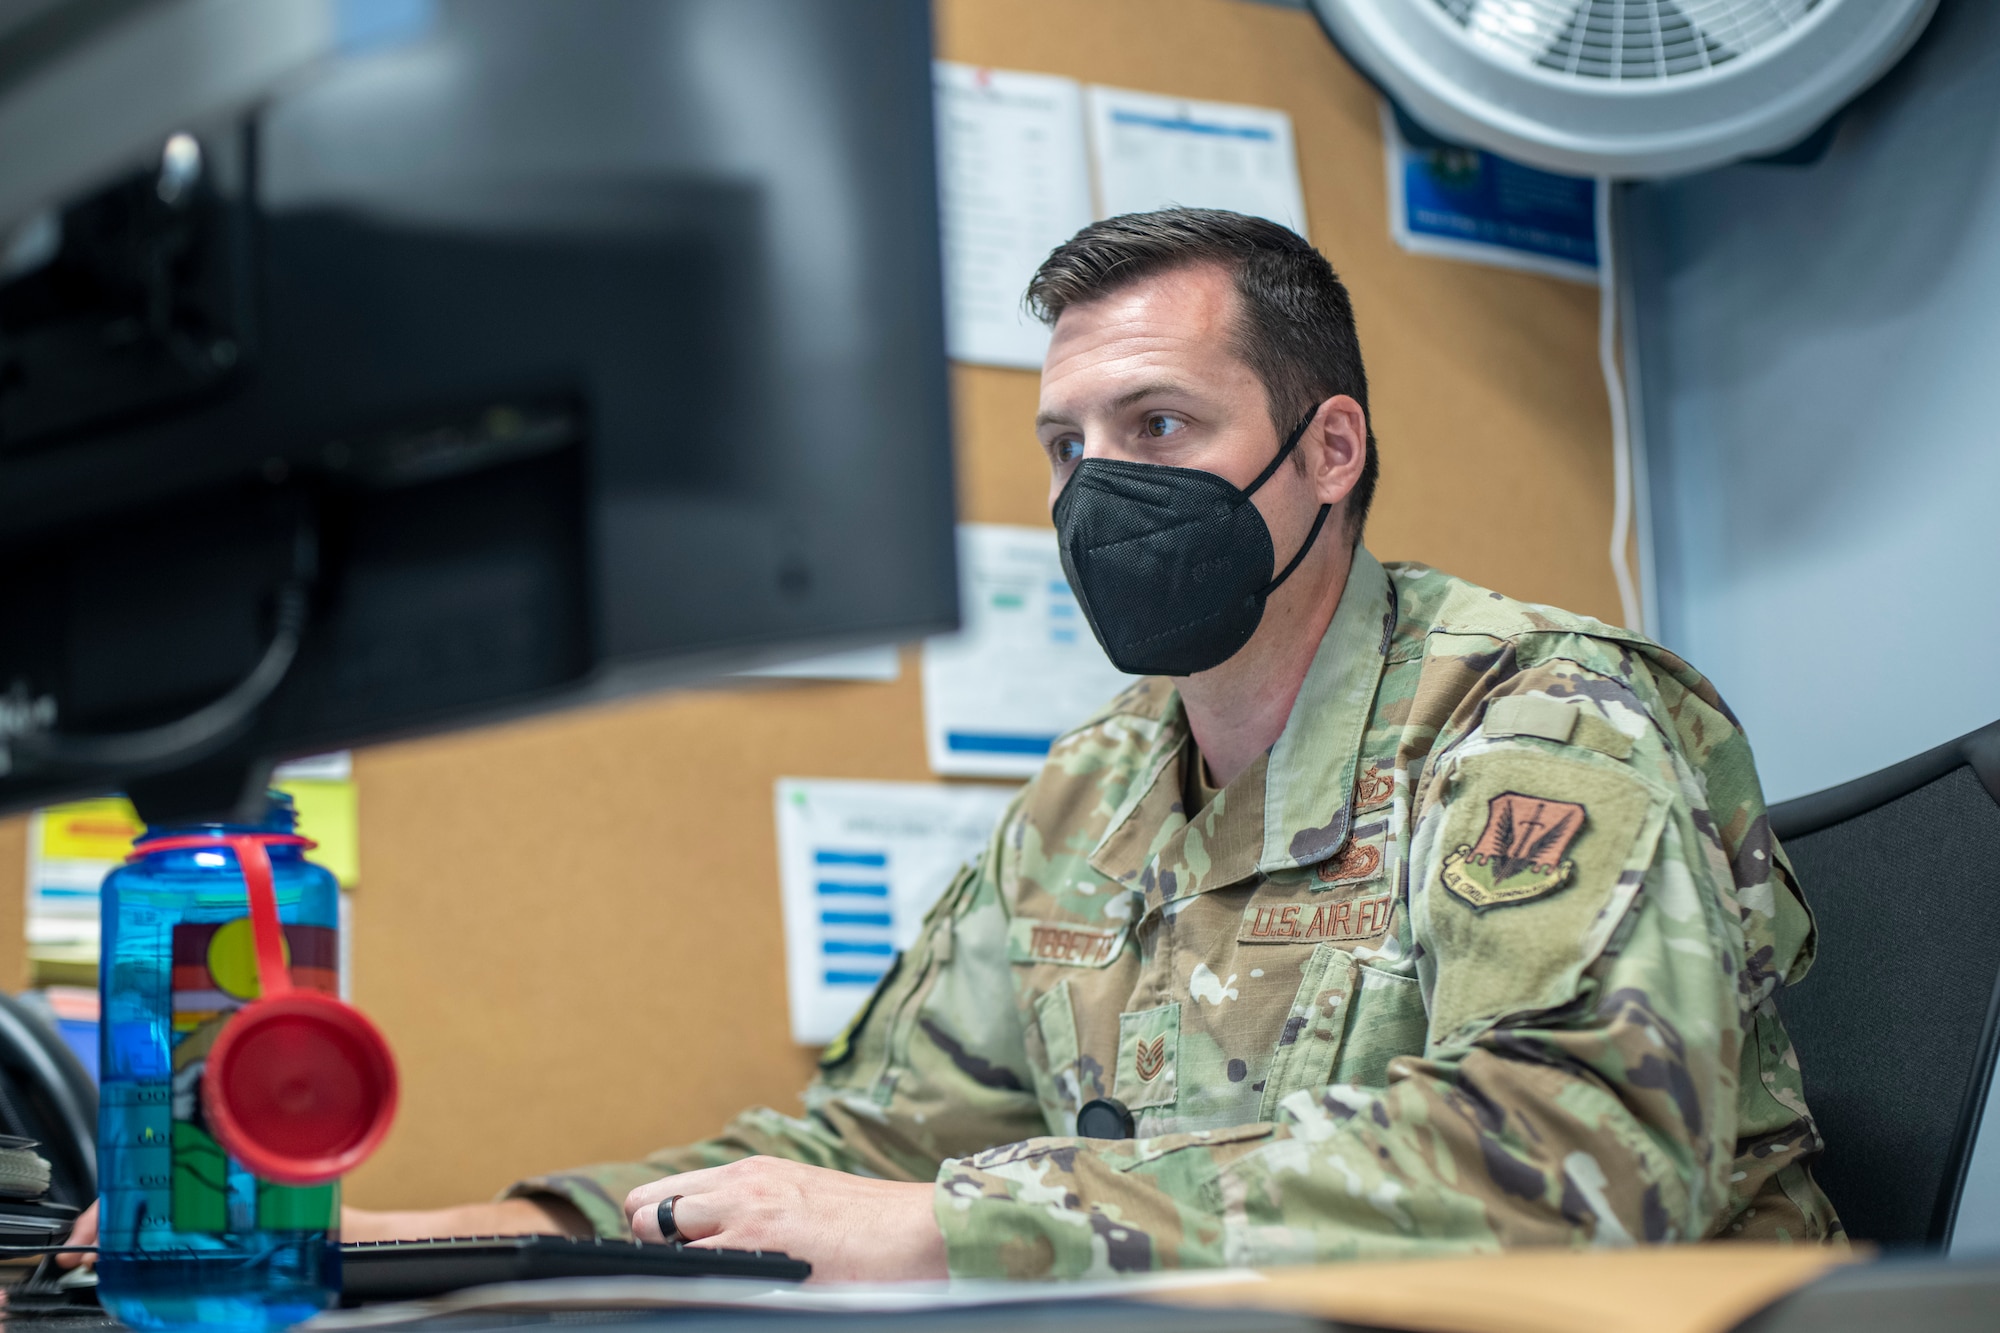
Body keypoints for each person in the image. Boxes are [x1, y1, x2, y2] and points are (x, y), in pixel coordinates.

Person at [70, 208, 1842, 1280]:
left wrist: (964, 1229)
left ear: (1329, 453)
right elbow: (862, 1142)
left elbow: (1581, 1154)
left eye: (1161, 421)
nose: (1099, 490)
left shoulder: (1538, 719)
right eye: (1069, 444)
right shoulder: (1090, 798)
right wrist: (437, 1239)